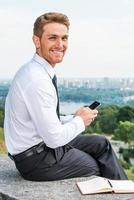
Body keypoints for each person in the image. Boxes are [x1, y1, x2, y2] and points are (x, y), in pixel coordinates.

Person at [4, 12, 128, 181]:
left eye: (64, 38)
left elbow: (45, 120)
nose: (60, 44)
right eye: (53, 38)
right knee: (94, 166)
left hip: (41, 148)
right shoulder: (37, 80)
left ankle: (126, 192)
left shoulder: (36, 71)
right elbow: (54, 139)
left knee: (102, 144)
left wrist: (73, 118)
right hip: (36, 160)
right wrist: (80, 122)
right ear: (37, 41)